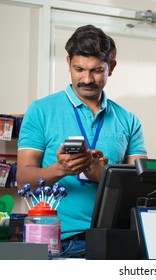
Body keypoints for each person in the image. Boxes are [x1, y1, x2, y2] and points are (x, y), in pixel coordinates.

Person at [16, 25, 147, 258]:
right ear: (68, 63)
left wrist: (104, 174)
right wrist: (61, 169)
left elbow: (142, 191)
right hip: (56, 240)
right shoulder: (41, 111)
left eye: (97, 71)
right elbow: (22, 179)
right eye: (79, 69)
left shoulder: (128, 120)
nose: (86, 79)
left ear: (112, 67)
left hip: (113, 239)